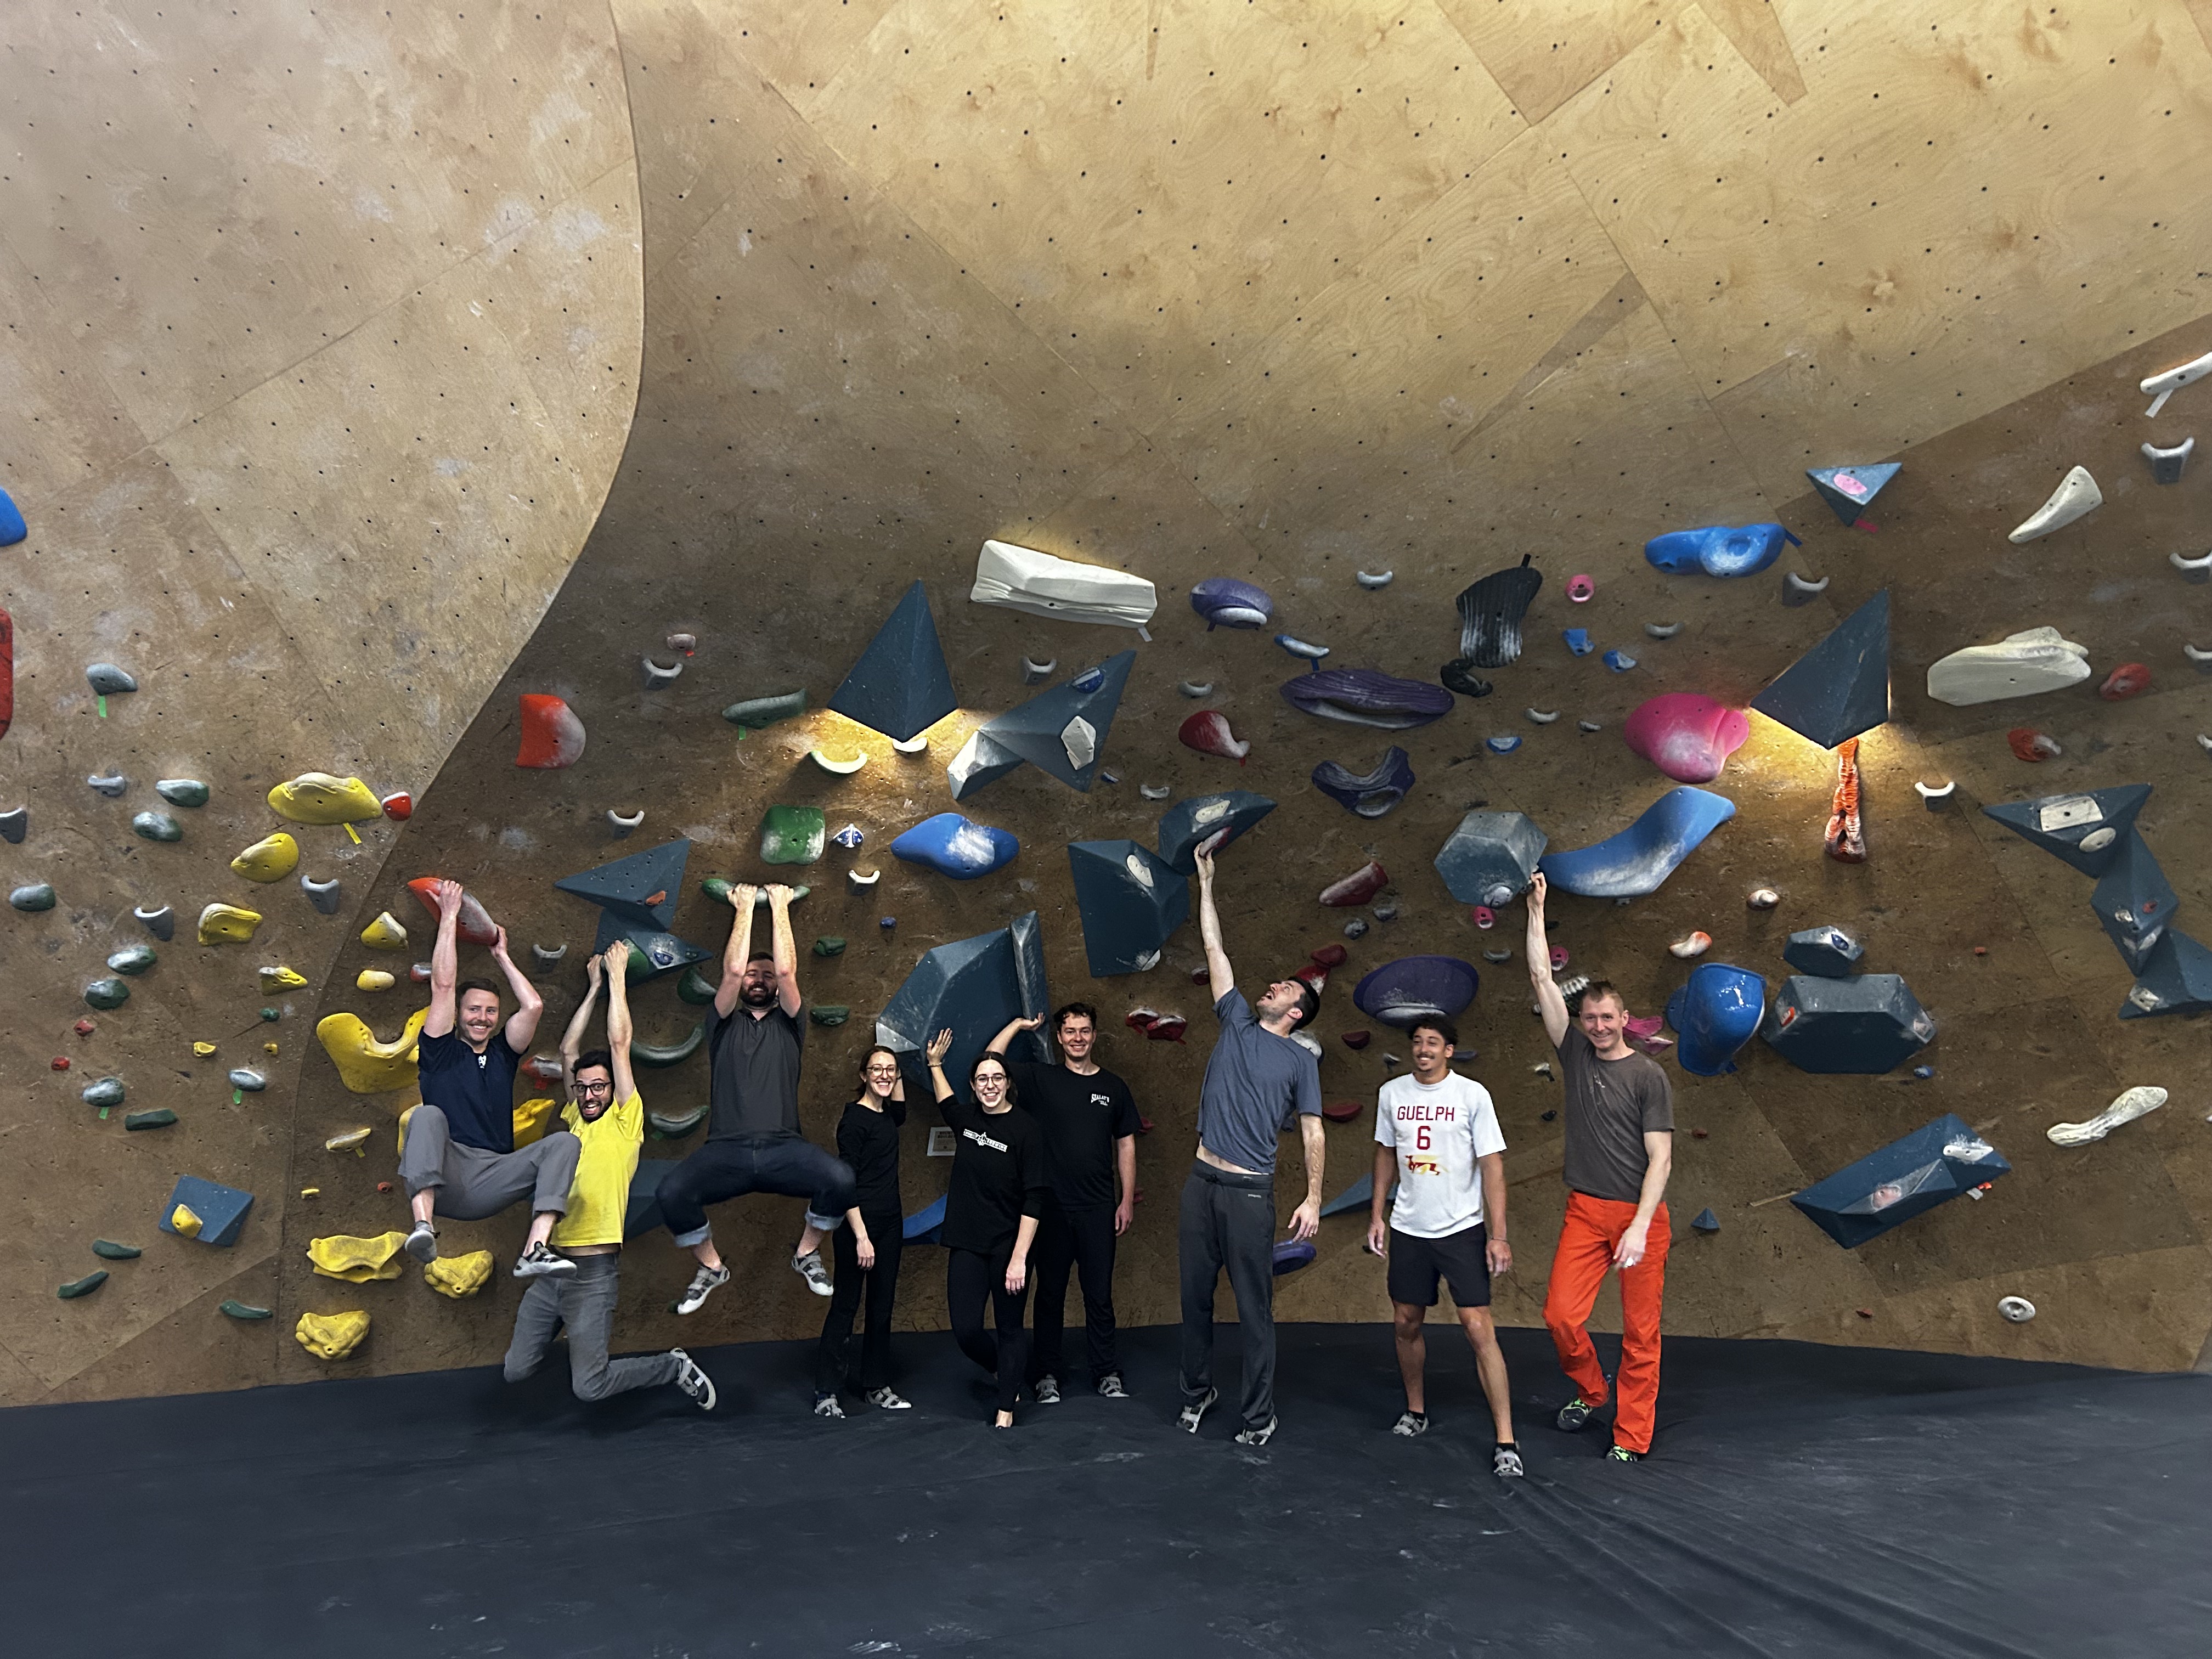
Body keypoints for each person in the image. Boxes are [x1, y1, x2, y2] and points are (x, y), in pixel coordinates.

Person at [503, 944, 717, 1410]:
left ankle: (673, 1366)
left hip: (594, 1274)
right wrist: (595, 986)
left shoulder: (625, 1122)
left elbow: (619, 1044)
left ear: (612, 1089)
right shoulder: (575, 1120)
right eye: (583, 1087)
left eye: (599, 1085)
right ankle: (570, 1328)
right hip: (551, 1265)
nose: (590, 1093)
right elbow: (566, 1051)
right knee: (516, 1371)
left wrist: (618, 977)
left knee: (590, 1386)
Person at [1177, 839, 1324, 1447]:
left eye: (1285, 988)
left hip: (1248, 1192)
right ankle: (1197, 1391)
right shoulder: (1236, 1019)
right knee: (1194, 1299)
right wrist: (1206, 883)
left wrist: (1314, 1198)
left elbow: (1313, 1130)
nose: (1273, 986)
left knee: (1254, 1309)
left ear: (1297, 1012)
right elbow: (1215, 948)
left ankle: (1258, 1415)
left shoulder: (1299, 1061)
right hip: (1200, 1182)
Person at [1526, 871, 1675, 1463]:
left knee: (1641, 1334)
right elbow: (1541, 977)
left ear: (1624, 1018)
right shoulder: (1575, 1055)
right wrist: (1537, 908)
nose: (1597, 1026)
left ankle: (1631, 1437)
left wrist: (1639, 1226)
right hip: (1585, 1213)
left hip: (1640, 1219)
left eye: (1607, 1018)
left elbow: (1661, 1156)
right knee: (1561, 1315)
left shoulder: (1647, 1076)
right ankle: (1591, 1389)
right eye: (1589, 1018)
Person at [657, 883, 857, 1318]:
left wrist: (781, 906)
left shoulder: (791, 1024)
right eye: (754, 973)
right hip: (725, 1151)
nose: (761, 979)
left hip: (785, 1148)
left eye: (765, 974)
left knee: (841, 1180)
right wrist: (745, 907)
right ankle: (711, 1267)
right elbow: (730, 974)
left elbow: (787, 974)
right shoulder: (722, 1023)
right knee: (672, 1193)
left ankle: (805, 1254)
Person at [1366, 1015, 1521, 1477]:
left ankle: (1506, 1440)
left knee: (1478, 1328)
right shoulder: (1392, 1094)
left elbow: (1492, 1166)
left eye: (1433, 1043)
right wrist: (1377, 1214)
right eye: (1417, 1042)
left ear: (1449, 1050)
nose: (1423, 1050)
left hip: (1462, 1229)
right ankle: (1415, 1412)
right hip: (1410, 1228)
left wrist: (1498, 1234)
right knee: (1406, 1321)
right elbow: (1384, 1153)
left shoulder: (1472, 1095)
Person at [399, 879, 579, 1276]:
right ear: (459, 1015)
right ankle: (423, 1225)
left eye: (491, 1011)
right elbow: (444, 986)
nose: (482, 1017)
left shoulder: (502, 1054)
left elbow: (532, 1006)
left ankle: (536, 1249)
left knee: (564, 1143)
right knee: (426, 1116)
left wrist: (502, 956)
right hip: (445, 1175)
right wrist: (448, 915)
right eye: (474, 1010)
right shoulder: (440, 1051)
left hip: (493, 1178)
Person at [986, 1005, 1141, 1401]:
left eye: (1084, 1031)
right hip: (1050, 1211)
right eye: (1070, 1031)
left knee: (1099, 1295)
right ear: (1059, 1037)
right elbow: (992, 1061)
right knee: (1050, 1294)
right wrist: (1018, 1025)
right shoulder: (1042, 1078)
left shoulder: (1113, 1087)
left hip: (1098, 1208)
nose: (1077, 1038)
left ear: (1094, 1035)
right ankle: (1047, 1374)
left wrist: (1125, 1200)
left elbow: (1125, 1143)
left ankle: (1107, 1372)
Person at [924, 1029, 1048, 1429]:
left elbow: (1035, 1199)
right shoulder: (967, 1120)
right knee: (966, 1330)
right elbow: (945, 1104)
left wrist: (1019, 1259)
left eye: (997, 1078)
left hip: (1009, 1247)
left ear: (1007, 1083)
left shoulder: (1027, 1130)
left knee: (1010, 1327)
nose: (990, 1085)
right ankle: (1005, 1371)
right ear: (975, 1088)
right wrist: (934, 1065)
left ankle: (1006, 1407)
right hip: (967, 1243)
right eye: (982, 1080)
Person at [812, 1046, 913, 1419]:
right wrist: (861, 1236)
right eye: (877, 1070)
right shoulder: (854, 1121)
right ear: (863, 1075)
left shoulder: (889, 1116)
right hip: (859, 1227)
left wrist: (899, 1057)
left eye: (891, 1071)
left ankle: (875, 1385)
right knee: (845, 1308)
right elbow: (843, 1183)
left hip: (891, 1224)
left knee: (882, 1308)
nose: (885, 1076)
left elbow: (900, 1109)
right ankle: (826, 1391)